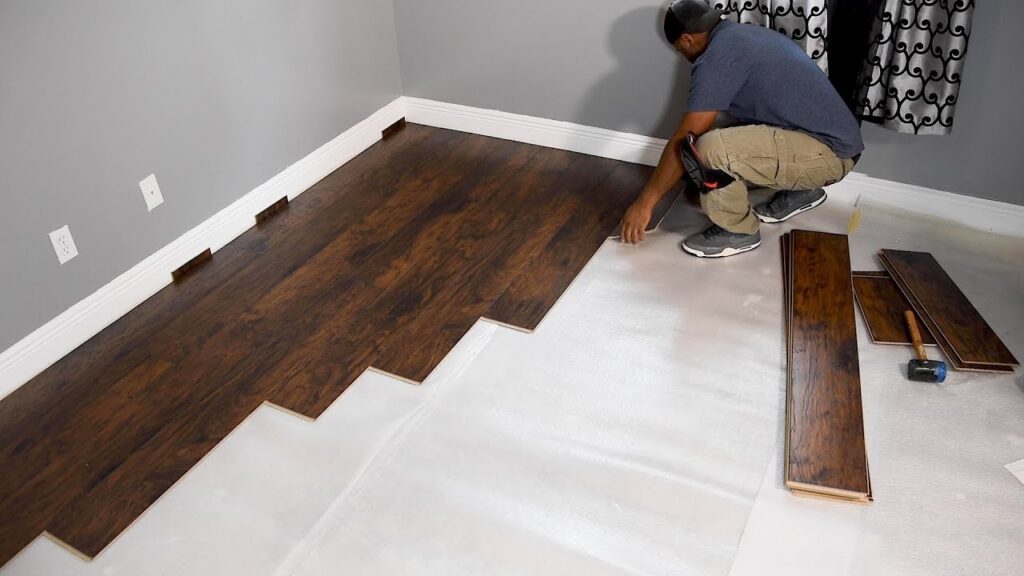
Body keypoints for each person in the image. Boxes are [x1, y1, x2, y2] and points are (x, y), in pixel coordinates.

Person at [620, 0, 864, 257]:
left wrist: (643, 204)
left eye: (679, 49)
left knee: (705, 150)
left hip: (830, 157)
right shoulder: (739, 35)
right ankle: (802, 191)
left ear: (687, 39)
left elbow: (686, 137)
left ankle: (739, 231)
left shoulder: (718, 58)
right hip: (831, 143)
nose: (683, 56)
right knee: (709, 152)